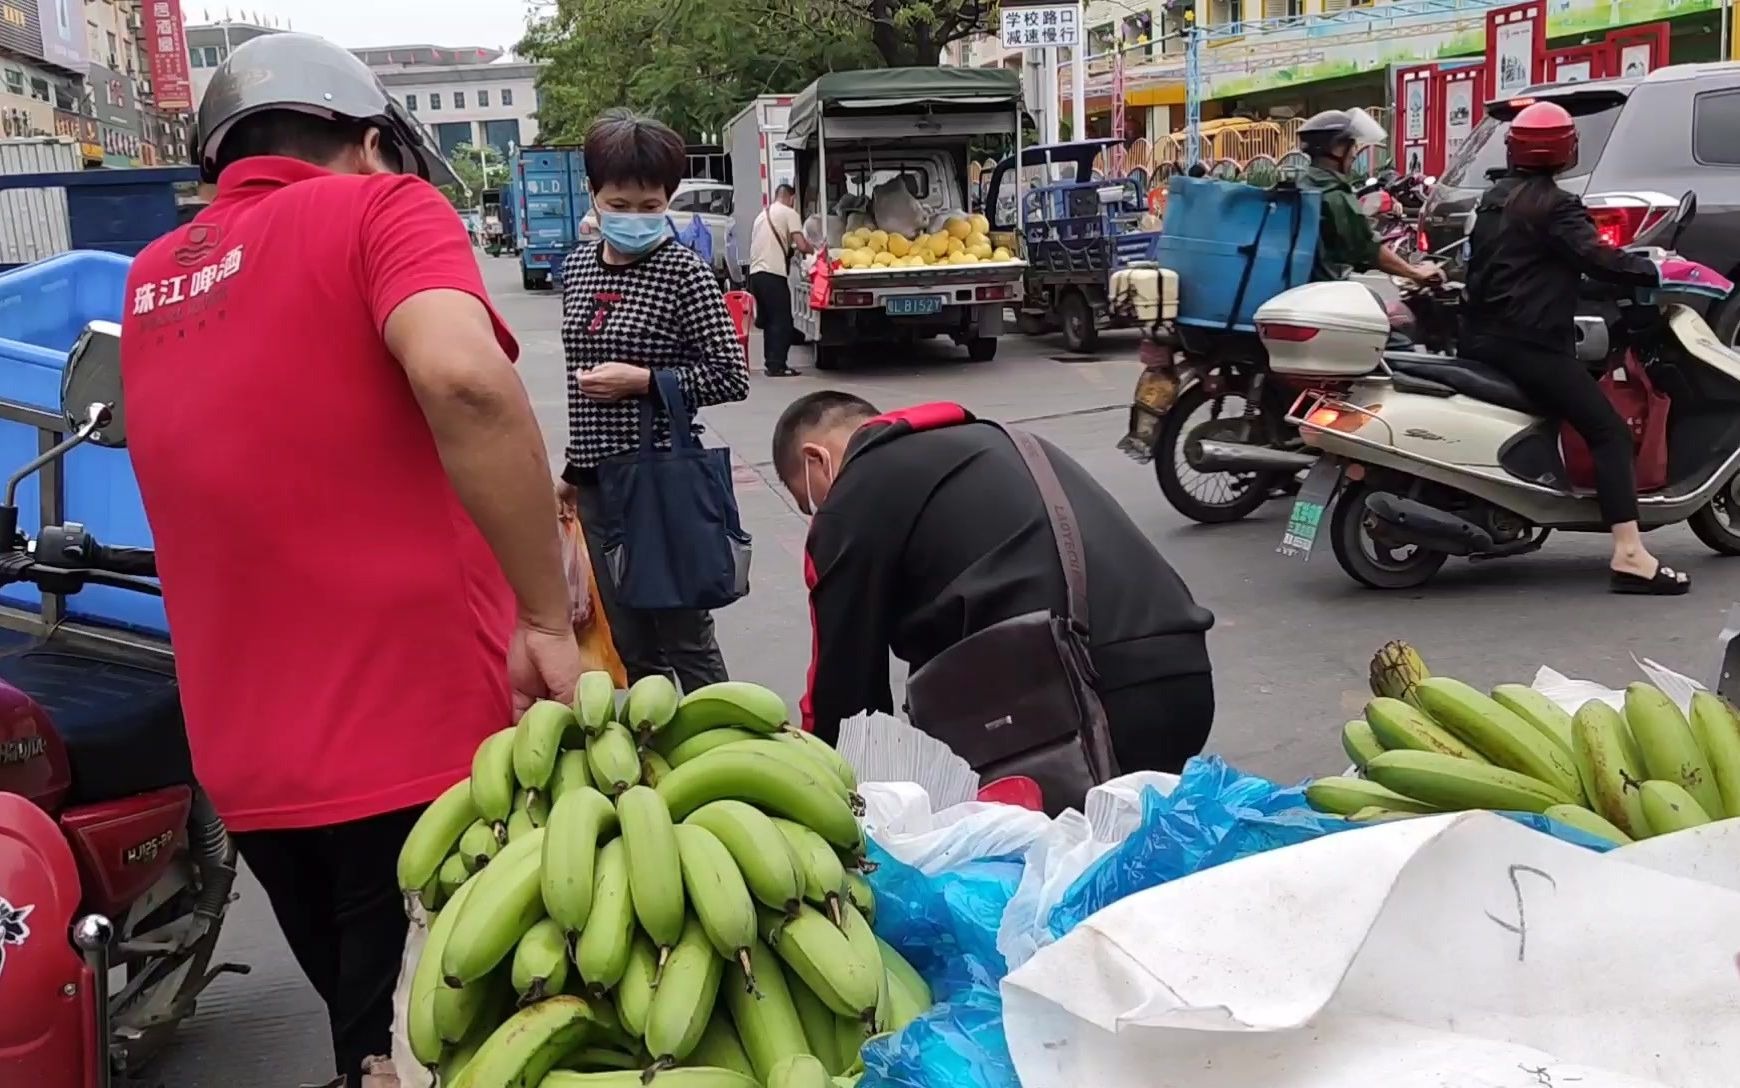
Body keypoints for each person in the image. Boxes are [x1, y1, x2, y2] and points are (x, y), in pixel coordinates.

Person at [118, 33, 582, 1088]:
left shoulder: (151, 280)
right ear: (373, 142)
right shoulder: (383, 209)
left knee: (367, 1025)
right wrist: (548, 620)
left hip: (249, 769)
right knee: (443, 1051)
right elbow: (465, 378)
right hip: (411, 753)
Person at [773, 392, 1217, 769]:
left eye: (807, 500)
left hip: (1081, 705)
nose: (817, 513)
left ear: (817, 460)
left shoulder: (852, 498)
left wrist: (820, 778)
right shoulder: (997, 441)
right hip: (1182, 672)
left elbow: (843, 690)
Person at [557, 110, 751, 689]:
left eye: (650, 205)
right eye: (620, 204)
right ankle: (658, 753)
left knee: (685, 638)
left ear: (668, 198)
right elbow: (579, 383)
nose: (635, 218)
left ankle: (725, 744)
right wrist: (572, 471)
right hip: (596, 487)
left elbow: (730, 374)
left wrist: (643, 381)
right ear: (594, 195)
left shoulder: (684, 273)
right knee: (630, 640)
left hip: (659, 482)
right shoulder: (577, 269)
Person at [1459, 101, 1685, 595]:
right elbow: (1596, 256)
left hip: (1481, 338)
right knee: (1609, 432)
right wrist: (1656, 271)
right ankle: (1629, 554)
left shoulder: (1493, 199)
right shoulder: (1554, 205)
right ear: (1567, 150)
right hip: (1530, 343)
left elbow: (1522, 265)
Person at [1295, 108, 1439, 287]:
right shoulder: (1334, 194)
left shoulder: (1301, 183)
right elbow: (1368, 248)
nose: (1355, 154)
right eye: (1353, 146)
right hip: (1328, 290)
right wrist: (1415, 273)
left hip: (1300, 288)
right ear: (1337, 149)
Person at [747, 183, 813, 378]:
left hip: (755, 274)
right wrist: (816, 251)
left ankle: (771, 363)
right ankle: (778, 366)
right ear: (791, 198)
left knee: (769, 321)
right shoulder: (789, 213)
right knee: (782, 320)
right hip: (772, 274)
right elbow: (801, 244)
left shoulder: (762, 216)